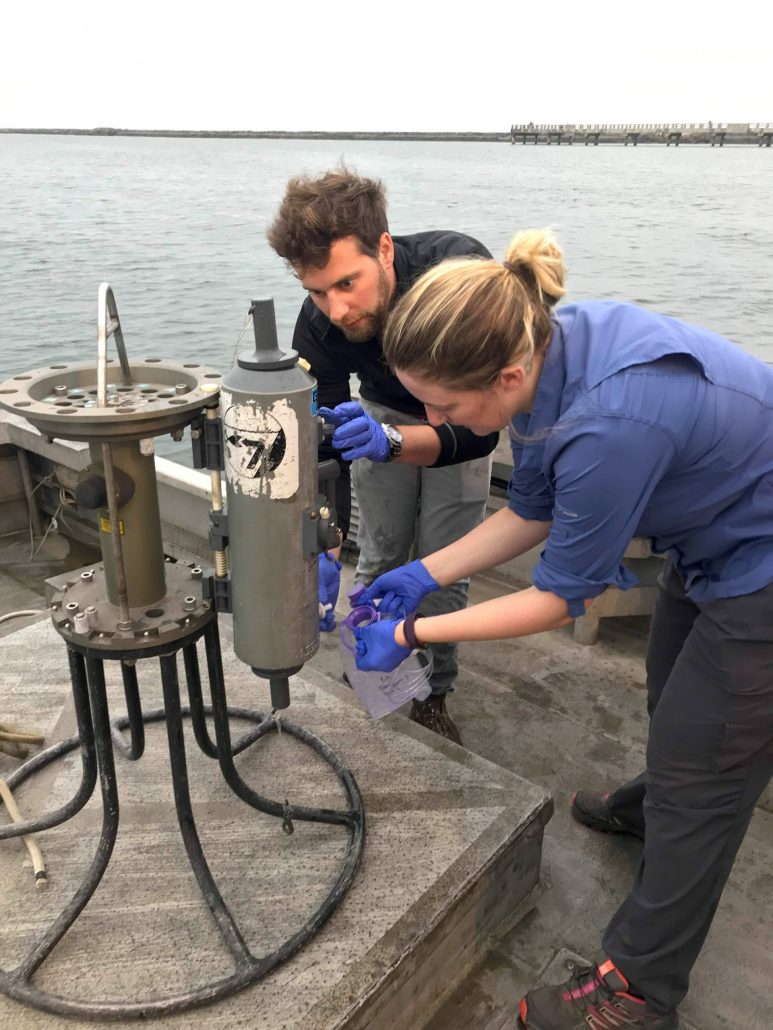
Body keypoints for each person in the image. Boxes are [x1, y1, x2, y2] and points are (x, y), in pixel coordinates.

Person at [350, 229, 773, 1029]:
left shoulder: (607, 424)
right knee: (671, 694)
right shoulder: (546, 349)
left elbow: (555, 599)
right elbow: (533, 510)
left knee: (707, 765)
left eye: (444, 408)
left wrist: (411, 637)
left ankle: (637, 992)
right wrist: (423, 573)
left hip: (761, 562)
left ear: (505, 377)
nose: (432, 421)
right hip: (714, 535)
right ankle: (657, 805)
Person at [267, 168, 497, 743]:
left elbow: (483, 431)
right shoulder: (318, 322)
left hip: (462, 410)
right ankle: (371, 676)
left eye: (348, 282)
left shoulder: (457, 274)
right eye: (317, 291)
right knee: (379, 554)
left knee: (444, 567)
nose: (335, 308)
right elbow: (324, 439)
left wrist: (402, 440)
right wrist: (323, 538)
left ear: (385, 249)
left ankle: (433, 694)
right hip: (374, 416)